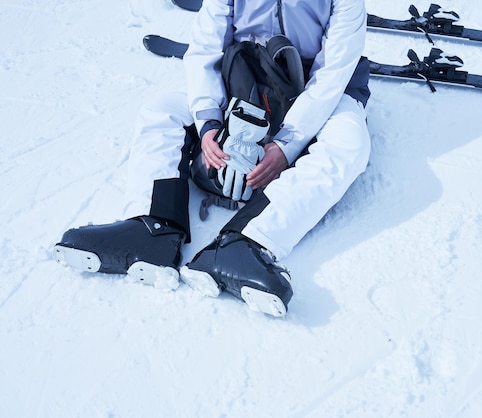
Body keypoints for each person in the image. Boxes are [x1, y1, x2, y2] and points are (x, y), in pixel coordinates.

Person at [53, 0, 371, 317]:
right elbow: (206, 47)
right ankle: (154, 229)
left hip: (318, 87)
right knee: (162, 110)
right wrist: (209, 125)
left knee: (350, 142)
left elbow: (332, 72)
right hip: (249, 76)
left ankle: (245, 243)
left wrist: (285, 144)